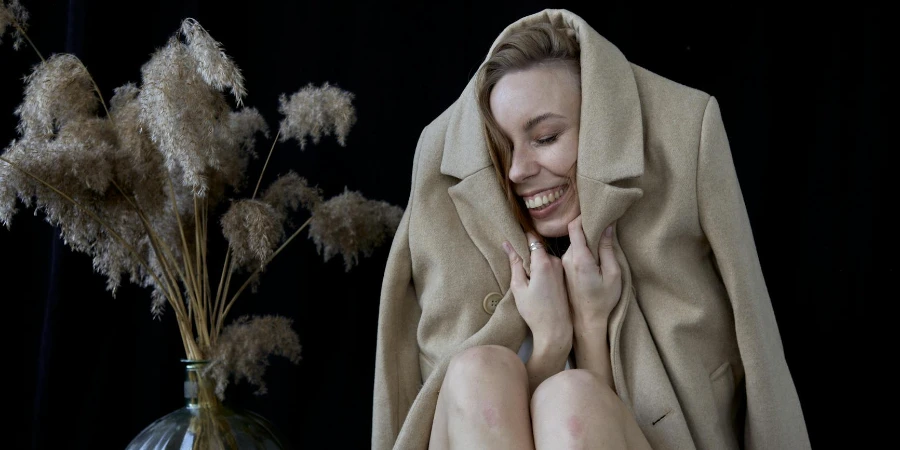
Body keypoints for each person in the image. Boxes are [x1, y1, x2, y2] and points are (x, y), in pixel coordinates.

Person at [373, 9, 810, 450]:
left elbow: (755, 331)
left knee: (571, 402)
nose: (517, 171)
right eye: (502, 149)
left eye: (545, 138)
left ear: (603, 129)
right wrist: (551, 343)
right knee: (474, 373)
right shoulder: (439, 169)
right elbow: (405, 367)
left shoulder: (686, 132)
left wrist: (591, 328)